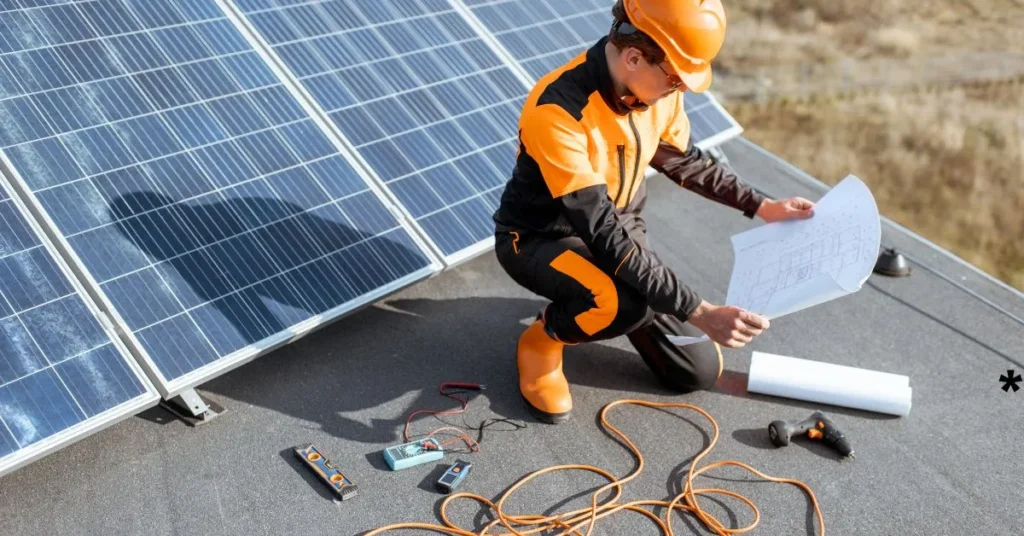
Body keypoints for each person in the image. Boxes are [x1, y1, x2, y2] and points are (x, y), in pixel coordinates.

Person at [491, 0, 816, 424]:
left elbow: (685, 161)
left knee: (695, 371)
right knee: (620, 305)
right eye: (677, 78)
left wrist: (762, 205)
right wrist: (699, 310)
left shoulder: (656, 89)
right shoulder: (558, 112)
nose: (680, 89)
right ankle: (543, 338)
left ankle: (626, 306)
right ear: (633, 57)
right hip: (540, 238)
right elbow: (602, 233)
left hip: (619, 225)